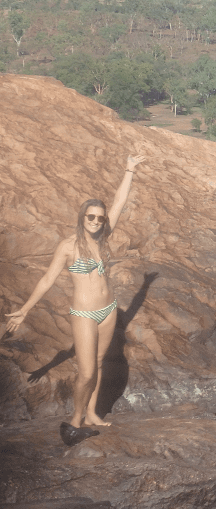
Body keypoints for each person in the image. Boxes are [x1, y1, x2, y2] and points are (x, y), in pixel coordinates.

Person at [5, 155, 146, 446]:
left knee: (98, 362)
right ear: (82, 218)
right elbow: (47, 279)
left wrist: (129, 169)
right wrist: (25, 311)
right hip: (83, 314)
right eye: (90, 217)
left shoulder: (104, 238)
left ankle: (92, 413)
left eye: (99, 218)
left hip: (108, 311)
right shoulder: (68, 246)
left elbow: (118, 202)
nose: (96, 221)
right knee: (86, 372)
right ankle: (74, 423)